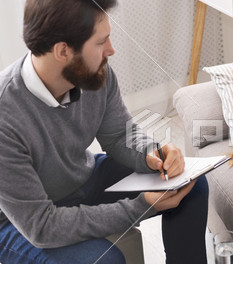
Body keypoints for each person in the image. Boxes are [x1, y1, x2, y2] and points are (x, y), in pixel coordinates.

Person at [0, 0, 208, 264]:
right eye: (101, 42)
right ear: (63, 51)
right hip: (17, 222)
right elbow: (41, 226)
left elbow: (119, 135)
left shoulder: (96, 73)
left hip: (83, 178)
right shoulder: (5, 116)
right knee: (104, 261)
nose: (111, 50)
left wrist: (152, 153)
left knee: (191, 184)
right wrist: (141, 206)